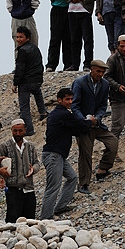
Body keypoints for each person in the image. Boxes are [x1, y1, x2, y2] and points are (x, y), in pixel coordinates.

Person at [40, 88, 90, 219]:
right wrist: (91, 121)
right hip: (53, 155)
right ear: (59, 100)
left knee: (72, 177)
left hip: (58, 155)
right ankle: (45, 218)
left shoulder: (59, 114)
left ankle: (60, 207)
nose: (70, 102)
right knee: (53, 187)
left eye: (71, 99)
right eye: (67, 99)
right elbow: (81, 126)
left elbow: (74, 129)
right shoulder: (63, 114)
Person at [70, 59, 118, 195]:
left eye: (103, 72)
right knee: (86, 154)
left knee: (113, 142)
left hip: (96, 124)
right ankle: (83, 183)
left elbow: (103, 105)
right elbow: (75, 105)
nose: (100, 74)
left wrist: (97, 118)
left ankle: (103, 168)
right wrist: (85, 119)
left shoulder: (105, 84)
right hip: (83, 125)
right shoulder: (79, 83)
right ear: (91, 69)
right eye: (98, 71)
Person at [0, 119, 40, 223]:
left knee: (30, 220)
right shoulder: (4, 146)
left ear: (25, 130)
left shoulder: (30, 146)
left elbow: (37, 163)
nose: (18, 133)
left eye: (20, 131)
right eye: (15, 131)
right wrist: (0, 179)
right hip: (13, 189)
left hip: (28, 188)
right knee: (13, 219)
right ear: (11, 130)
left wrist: (33, 170)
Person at [65, 0, 98, 71]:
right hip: (72, 11)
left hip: (84, 11)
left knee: (87, 39)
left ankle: (88, 64)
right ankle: (75, 64)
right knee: (74, 39)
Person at [13, 26, 47, 136]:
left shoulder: (22, 51)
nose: (18, 39)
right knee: (37, 93)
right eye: (17, 37)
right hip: (36, 80)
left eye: (21, 37)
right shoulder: (35, 48)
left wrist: (15, 83)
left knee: (24, 108)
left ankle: (29, 130)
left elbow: (20, 69)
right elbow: (40, 65)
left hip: (26, 82)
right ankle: (43, 112)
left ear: (27, 38)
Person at [46, 0, 74, 71]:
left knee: (68, 39)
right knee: (55, 38)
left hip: (69, 10)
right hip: (57, 10)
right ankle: (51, 65)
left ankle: (68, 64)